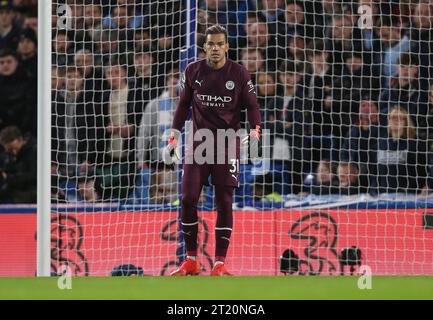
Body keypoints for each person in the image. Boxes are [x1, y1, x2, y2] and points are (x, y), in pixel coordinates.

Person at [166, 25, 261, 276]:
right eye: (211, 44)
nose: (216, 48)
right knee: (187, 198)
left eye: (220, 44)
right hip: (198, 143)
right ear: (205, 47)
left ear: (227, 46)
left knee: (224, 202)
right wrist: (174, 135)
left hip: (227, 142)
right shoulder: (193, 70)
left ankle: (219, 263)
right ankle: (190, 260)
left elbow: (252, 105)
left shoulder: (239, 74)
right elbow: (183, 104)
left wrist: (255, 131)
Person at [0, 125, 36, 203]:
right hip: (16, 191)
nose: (14, 152)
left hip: (32, 192)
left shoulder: (34, 152)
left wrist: (8, 177)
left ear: (20, 140)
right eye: (9, 150)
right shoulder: (9, 156)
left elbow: (34, 176)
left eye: (15, 149)